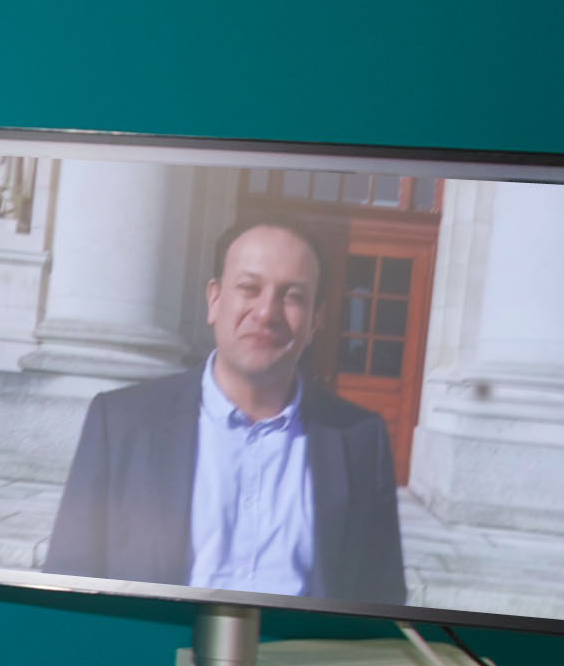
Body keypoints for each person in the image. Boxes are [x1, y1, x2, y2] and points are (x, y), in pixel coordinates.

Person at [43, 214, 408, 606]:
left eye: (293, 296)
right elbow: (69, 586)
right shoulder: (121, 424)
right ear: (214, 299)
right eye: (249, 288)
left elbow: (380, 600)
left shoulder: (359, 438)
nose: (267, 312)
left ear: (316, 320)